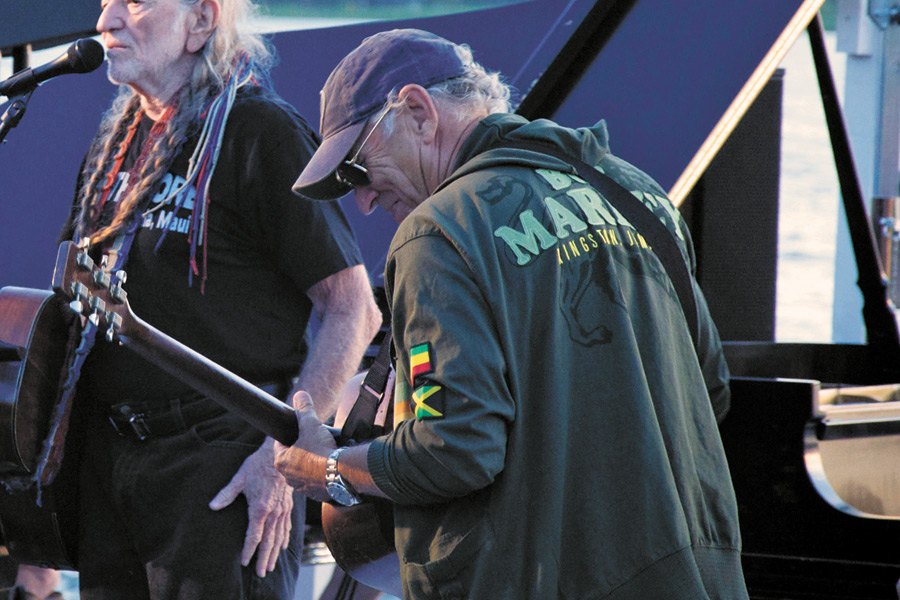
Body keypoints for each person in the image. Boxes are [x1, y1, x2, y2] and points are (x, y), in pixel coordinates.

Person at [275, 28, 750, 599]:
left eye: (356, 167)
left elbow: (454, 451)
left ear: (419, 112)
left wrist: (328, 468)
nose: (363, 199)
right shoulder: (638, 193)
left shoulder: (438, 234)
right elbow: (711, 389)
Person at [17, 1, 382, 599]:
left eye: (135, 3)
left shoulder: (259, 132)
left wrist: (282, 458)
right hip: (110, 465)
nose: (107, 20)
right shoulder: (116, 149)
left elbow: (354, 309)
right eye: (106, 3)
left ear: (202, 20)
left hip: (221, 464)